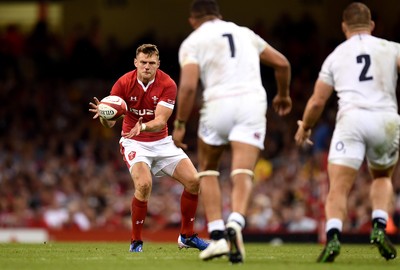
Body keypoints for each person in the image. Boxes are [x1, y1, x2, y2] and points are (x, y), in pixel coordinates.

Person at [172, 0, 292, 263]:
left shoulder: (192, 42)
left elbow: (189, 88)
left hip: (218, 103)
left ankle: (217, 235)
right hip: (252, 104)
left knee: (209, 169)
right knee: (242, 171)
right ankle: (236, 223)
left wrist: (180, 124)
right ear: (219, 15)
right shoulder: (244, 33)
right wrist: (283, 95)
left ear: (193, 20)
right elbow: (282, 64)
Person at [295, 2, 399, 263]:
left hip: (351, 120)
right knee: (382, 177)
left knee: (338, 186)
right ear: (372, 25)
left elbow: (318, 101)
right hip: (385, 119)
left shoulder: (336, 55)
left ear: (344, 27)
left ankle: (333, 237)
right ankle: (378, 225)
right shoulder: (391, 48)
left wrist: (305, 126)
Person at [89, 44, 208, 252]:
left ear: (158, 64)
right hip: (133, 142)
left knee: (194, 181)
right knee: (144, 185)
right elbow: (111, 123)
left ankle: (187, 236)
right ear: (136, 62)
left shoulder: (167, 83)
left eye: (151, 63)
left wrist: (142, 126)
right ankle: (136, 242)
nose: (146, 66)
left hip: (161, 142)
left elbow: (161, 120)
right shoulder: (123, 83)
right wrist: (105, 116)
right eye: (143, 62)